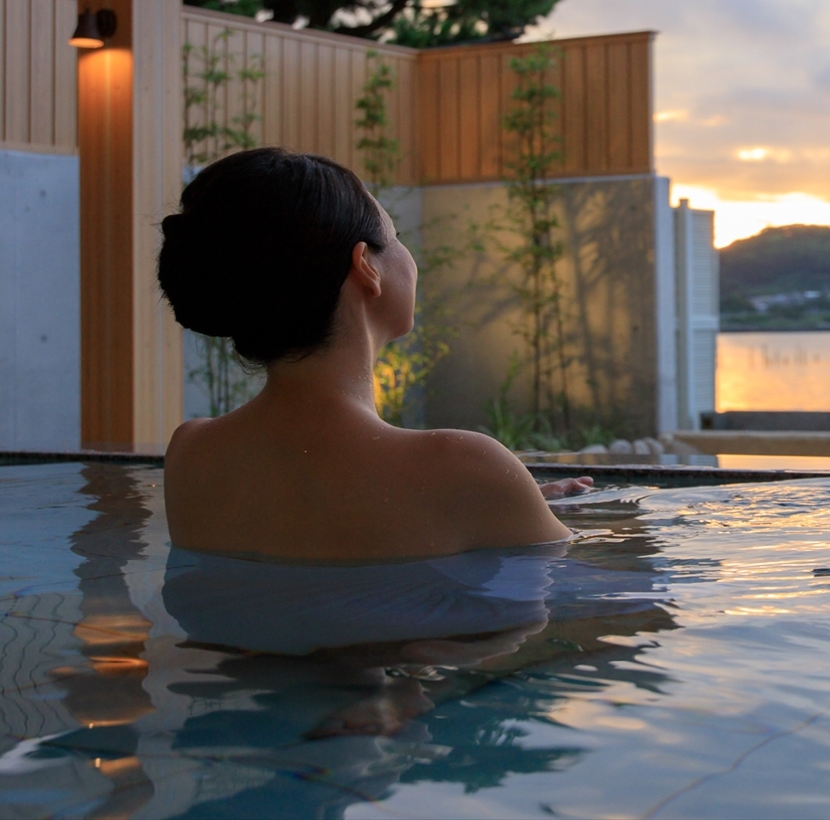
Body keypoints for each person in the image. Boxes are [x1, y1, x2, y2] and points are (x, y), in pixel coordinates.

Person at [156, 146, 590, 563]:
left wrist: (509, 505)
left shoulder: (192, 455)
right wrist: (499, 497)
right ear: (365, 266)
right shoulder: (463, 468)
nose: (408, 255)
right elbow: (586, 598)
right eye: (395, 236)